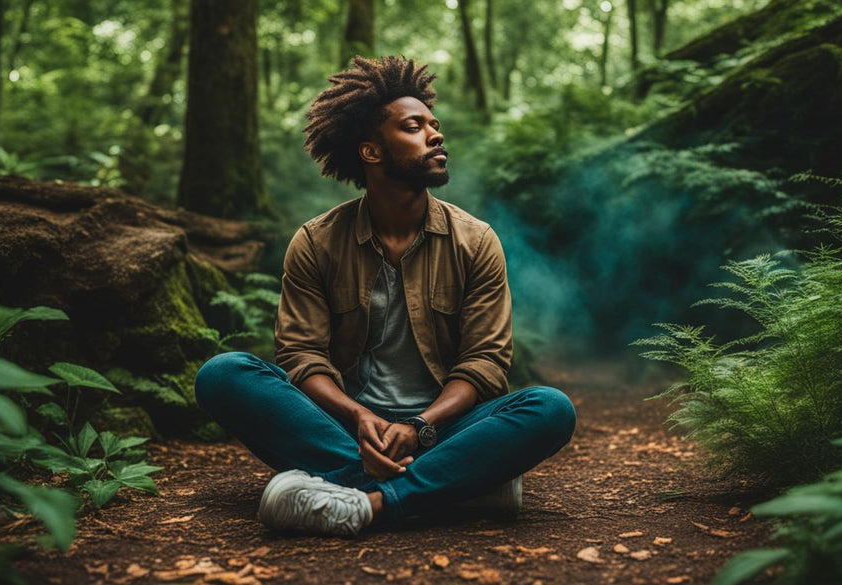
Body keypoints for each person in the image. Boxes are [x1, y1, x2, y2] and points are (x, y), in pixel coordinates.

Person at [194, 56, 576, 537]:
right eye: (415, 127)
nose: (436, 135)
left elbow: (485, 364)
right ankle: (460, 486)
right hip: (345, 428)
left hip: (440, 430)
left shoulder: (476, 241)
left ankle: (366, 502)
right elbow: (301, 356)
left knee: (550, 408)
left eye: (435, 126)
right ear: (372, 152)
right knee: (223, 374)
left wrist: (419, 426)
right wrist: (360, 418)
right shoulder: (316, 241)